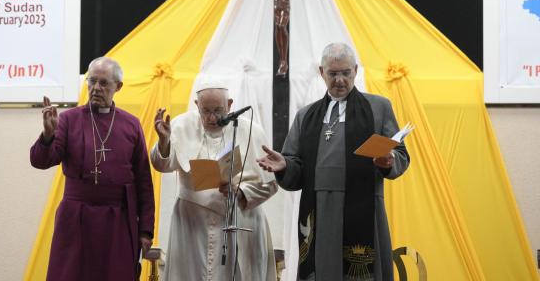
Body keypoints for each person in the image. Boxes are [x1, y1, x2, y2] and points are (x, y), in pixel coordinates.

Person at [257, 43, 410, 281]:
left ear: (355, 71)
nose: (339, 80)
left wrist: (389, 161)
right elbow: (294, 160)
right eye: (333, 73)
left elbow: (401, 154)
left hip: (363, 205)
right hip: (319, 208)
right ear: (322, 72)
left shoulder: (378, 107)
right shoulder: (306, 115)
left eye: (345, 73)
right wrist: (285, 166)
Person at [30, 57, 155, 281]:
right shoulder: (69, 119)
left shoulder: (132, 124)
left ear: (118, 86)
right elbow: (41, 161)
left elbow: (143, 180)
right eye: (92, 81)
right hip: (76, 219)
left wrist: (145, 230)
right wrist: (48, 136)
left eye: (104, 83)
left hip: (117, 221)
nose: (96, 88)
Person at [150, 81, 278, 281]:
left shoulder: (251, 130)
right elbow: (162, 165)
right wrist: (164, 142)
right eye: (205, 111)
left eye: (218, 111)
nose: (211, 118)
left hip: (238, 219)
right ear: (196, 105)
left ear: (230, 104)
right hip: (192, 224)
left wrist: (241, 191)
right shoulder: (181, 125)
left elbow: (270, 183)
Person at [224, 0, 340, 76]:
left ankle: (283, 61)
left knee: (281, 26)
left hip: (284, 4)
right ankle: (282, 61)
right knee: (278, 27)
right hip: (276, 5)